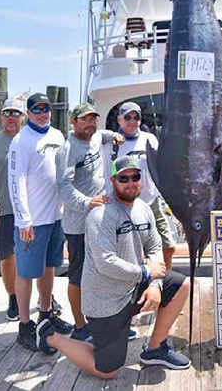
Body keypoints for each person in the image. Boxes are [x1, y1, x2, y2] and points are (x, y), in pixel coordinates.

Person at [36, 156, 191, 375]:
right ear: (112, 180)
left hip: (134, 286)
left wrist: (155, 284)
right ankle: (50, 336)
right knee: (107, 371)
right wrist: (146, 272)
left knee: (181, 285)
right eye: (123, 178)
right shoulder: (100, 214)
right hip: (105, 301)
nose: (130, 182)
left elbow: (155, 245)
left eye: (135, 177)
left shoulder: (143, 209)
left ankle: (155, 349)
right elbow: (105, 263)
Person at [9, 93, 75, 351]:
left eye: (46, 108)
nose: (42, 113)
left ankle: (45, 314)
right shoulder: (21, 141)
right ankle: (24, 326)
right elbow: (16, 182)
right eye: (36, 109)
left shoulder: (58, 136)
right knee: (25, 272)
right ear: (28, 113)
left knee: (49, 268)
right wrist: (24, 220)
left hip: (56, 217)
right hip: (32, 222)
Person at [56, 102, 124, 342]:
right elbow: (63, 186)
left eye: (93, 119)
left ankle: (103, 321)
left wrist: (113, 134)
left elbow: (103, 135)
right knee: (77, 276)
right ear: (73, 122)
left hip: (100, 221)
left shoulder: (96, 137)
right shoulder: (68, 149)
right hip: (78, 225)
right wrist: (87, 202)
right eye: (84, 119)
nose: (90, 123)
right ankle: (80, 326)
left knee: (103, 271)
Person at [102, 101, 176, 268]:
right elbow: (87, 135)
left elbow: (161, 166)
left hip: (151, 202)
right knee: (131, 252)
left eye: (136, 117)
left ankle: (164, 281)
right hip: (124, 205)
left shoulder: (149, 138)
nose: (132, 121)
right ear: (119, 119)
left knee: (169, 246)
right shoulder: (109, 142)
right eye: (127, 117)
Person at [0, 97, 25, 321]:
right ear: (1, 116)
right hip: (4, 210)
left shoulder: (30, 138)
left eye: (16, 113)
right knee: (8, 256)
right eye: (7, 113)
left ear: (23, 117)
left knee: (34, 256)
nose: (11, 117)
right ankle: (13, 297)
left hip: (31, 210)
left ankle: (43, 297)